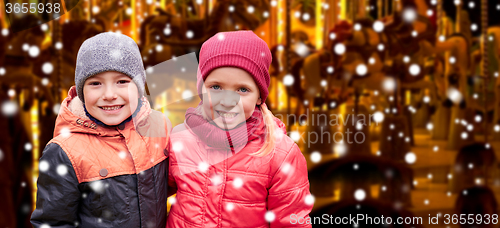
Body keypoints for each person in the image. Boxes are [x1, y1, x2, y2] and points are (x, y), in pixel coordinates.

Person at [167, 31, 312, 227]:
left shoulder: (280, 154)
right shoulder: (180, 140)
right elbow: (151, 195)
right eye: (216, 87)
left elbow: (292, 220)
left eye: (242, 90)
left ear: (259, 97)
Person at [31, 32, 171, 228]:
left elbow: (177, 183)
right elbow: (53, 222)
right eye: (95, 83)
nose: (109, 95)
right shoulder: (65, 151)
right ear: (81, 91)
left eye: (122, 81)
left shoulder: (159, 126)